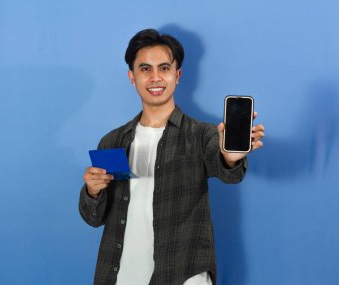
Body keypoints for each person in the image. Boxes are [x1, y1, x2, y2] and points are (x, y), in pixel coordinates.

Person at [79, 29, 265, 285]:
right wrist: (92, 191)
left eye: (164, 68)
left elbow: (228, 172)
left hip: (183, 275)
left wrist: (230, 156)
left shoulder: (202, 135)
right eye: (145, 69)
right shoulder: (112, 141)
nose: (155, 77)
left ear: (177, 75)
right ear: (132, 77)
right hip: (120, 275)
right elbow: (93, 218)